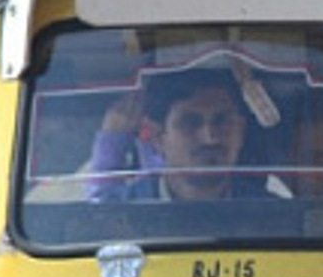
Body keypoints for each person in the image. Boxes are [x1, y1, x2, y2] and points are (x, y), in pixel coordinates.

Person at [87, 69, 262, 202]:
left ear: (241, 131)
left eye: (222, 121)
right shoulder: (123, 214)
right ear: (157, 137)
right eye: (190, 123)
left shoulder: (273, 217)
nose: (210, 138)